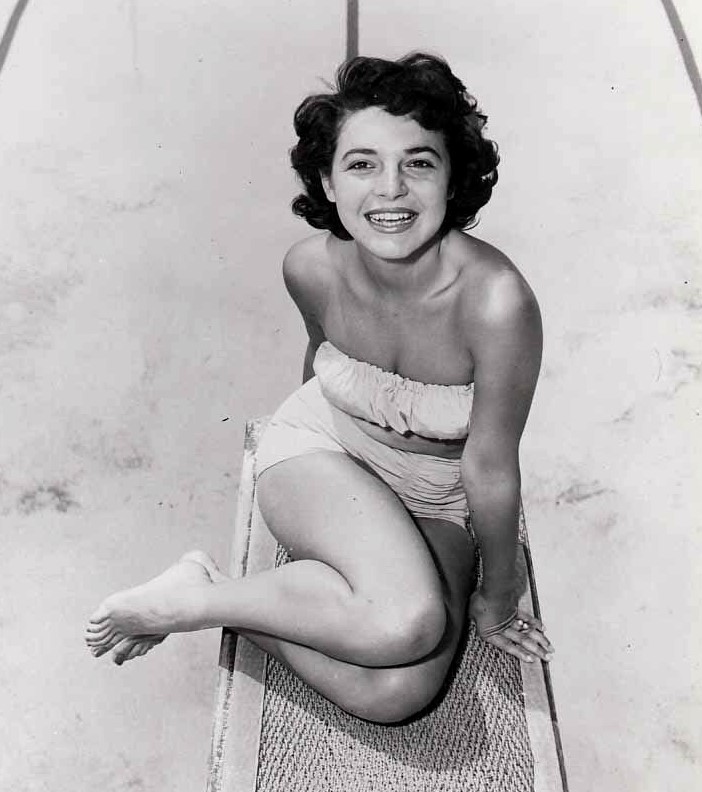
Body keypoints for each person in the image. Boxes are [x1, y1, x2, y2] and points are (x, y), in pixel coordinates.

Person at [85, 53, 553, 724]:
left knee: (395, 693)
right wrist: (320, 508)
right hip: (324, 452)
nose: (390, 190)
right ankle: (192, 603)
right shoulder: (308, 268)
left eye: (419, 163)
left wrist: (497, 597)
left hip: (435, 495)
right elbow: (318, 369)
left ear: (453, 177)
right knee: (406, 620)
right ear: (328, 183)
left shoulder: (497, 301)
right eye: (362, 164)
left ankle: (218, 592)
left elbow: (491, 465)